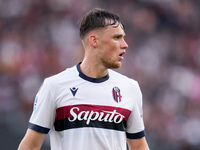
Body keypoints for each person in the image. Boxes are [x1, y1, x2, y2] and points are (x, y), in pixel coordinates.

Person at [18, 8, 150, 150]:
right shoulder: (54, 86)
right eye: (117, 38)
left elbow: (139, 146)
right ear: (94, 40)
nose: (125, 44)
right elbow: (30, 146)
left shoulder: (130, 88)